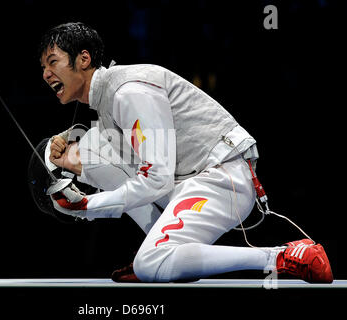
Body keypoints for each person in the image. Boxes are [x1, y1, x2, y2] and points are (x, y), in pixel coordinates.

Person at [38, 22, 333, 283]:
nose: (46, 73)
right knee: (92, 150)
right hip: (190, 181)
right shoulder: (107, 106)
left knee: (150, 262)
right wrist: (68, 159)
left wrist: (87, 204)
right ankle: (160, 254)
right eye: (42, 67)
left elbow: (155, 181)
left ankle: (281, 256)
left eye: (53, 62)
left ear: (84, 59)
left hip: (221, 177)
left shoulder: (128, 91)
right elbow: (115, 166)